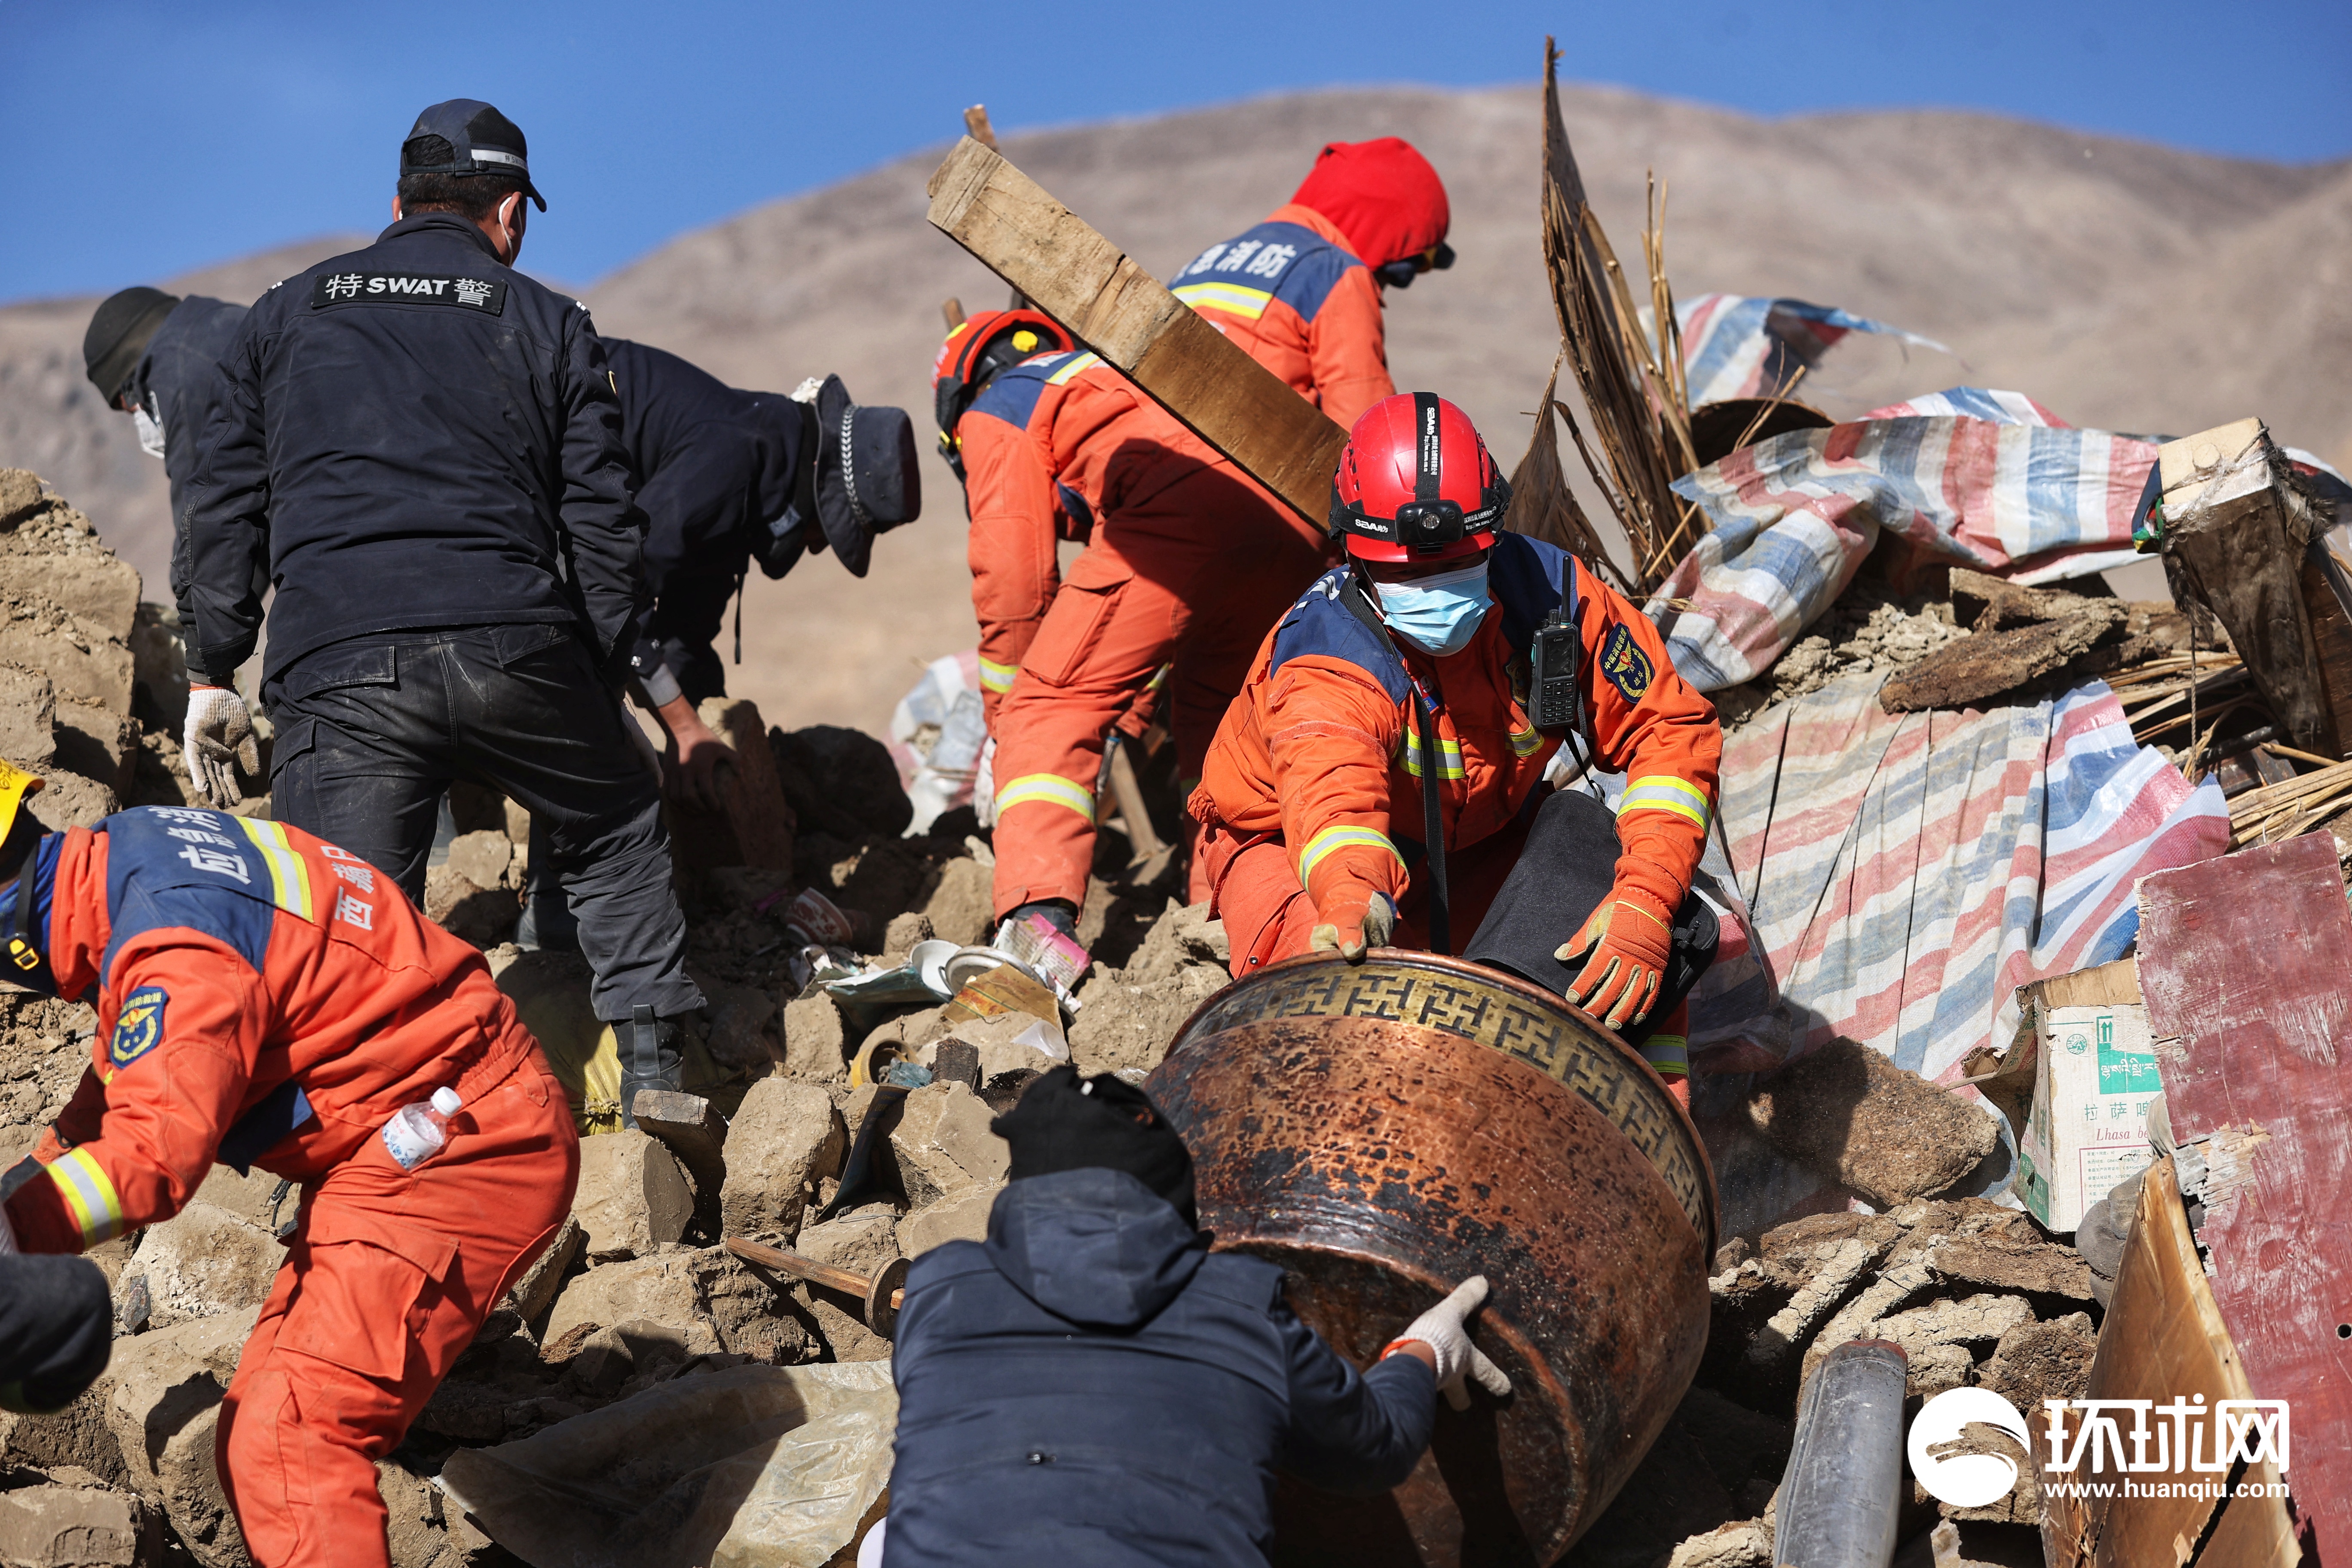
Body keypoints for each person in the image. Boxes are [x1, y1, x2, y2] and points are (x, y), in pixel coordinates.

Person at [181, 99, 704, 1118]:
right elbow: (601, 524)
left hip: (338, 662)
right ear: (508, 215)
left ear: (398, 204)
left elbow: (224, 503)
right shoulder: (548, 320)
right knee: (616, 815)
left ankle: (340, 1141)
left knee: (343, 916)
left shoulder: (284, 311)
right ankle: (652, 1077)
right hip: (512, 634)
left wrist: (211, 665)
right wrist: (598, 677)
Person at [0, 759, 578, 1568]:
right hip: (412, 1128)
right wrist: (16, 1200)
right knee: (264, 1433)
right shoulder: (125, 857)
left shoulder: (174, 944)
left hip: (465, 1148)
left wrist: (12, 1228)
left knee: (290, 1442)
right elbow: (118, 1087)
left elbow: (152, 1156)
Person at [1191, 394, 1723, 1092]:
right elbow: (1334, 802)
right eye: (1407, 574)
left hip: (1475, 842)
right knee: (1328, 1024)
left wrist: (1646, 899)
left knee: (1635, 959)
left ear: (1493, 535)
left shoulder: (1553, 596)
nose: (1433, 590)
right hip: (1290, 851)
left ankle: (1653, 1154)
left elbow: (1669, 733)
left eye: (1455, 565)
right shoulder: (1327, 657)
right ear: (1354, 557)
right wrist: (1352, 896)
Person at [879, 1064, 1507, 1566]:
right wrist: (1425, 1350)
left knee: (887, 1539)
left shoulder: (939, 1289)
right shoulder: (1240, 1306)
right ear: (1173, 1192)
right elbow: (1376, 1450)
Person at [931, 310, 1331, 938]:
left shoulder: (998, 405)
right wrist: (1128, 716)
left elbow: (1012, 582)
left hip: (1184, 510)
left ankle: (1038, 936)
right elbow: (1143, 632)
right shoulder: (1112, 375)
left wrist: (1005, 726)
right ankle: (1228, 924)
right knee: (1223, 737)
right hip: (1289, 519)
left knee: (1048, 711)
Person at [603, 337, 919, 809]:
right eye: (826, 530)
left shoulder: (757, 484)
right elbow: (610, 583)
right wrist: (684, 727)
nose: (815, 548)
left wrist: (735, 768)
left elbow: (684, 635)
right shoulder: (730, 460)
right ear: (817, 495)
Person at [1170, 137, 1452, 434]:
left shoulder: (1207, 261)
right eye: (1396, 273)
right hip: (1218, 470)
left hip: (1122, 456)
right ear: (1382, 243)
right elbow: (1364, 436)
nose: (1382, 287)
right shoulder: (1335, 271)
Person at [82, 287, 266, 665]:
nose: (138, 413)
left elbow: (203, 521)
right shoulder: (220, 322)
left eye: (130, 402)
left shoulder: (179, 368)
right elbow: (254, 516)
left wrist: (200, 659)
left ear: (131, 373)